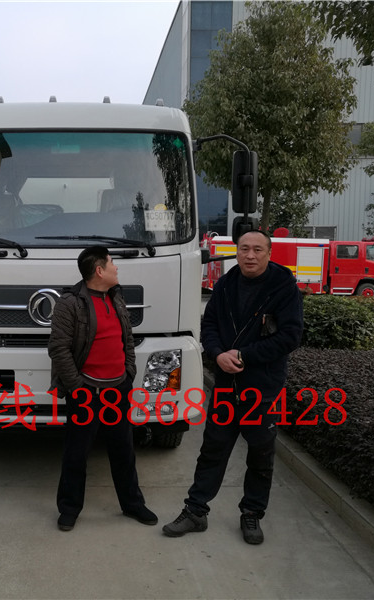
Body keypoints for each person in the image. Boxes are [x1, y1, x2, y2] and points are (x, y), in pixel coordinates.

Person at [162, 230, 303, 544]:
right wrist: (216, 354)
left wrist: (243, 355)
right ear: (236, 251)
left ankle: (252, 513)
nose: (250, 255)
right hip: (227, 385)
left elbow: (290, 337)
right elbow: (209, 325)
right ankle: (196, 511)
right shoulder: (225, 284)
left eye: (257, 250)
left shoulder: (283, 288)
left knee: (260, 452)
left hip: (262, 388)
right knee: (213, 448)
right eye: (244, 249)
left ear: (269, 253)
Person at [48, 246, 157, 532]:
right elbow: (58, 349)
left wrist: (128, 372)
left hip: (117, 389)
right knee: (76, 453)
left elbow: (127, 338)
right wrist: (77, 388)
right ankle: (69, 508)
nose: (116, 268)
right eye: (111, 263)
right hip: (86, 392)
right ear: (99, 271)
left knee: (124, 450)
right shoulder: (70, 303)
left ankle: (132, 504)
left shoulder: (115, 296)